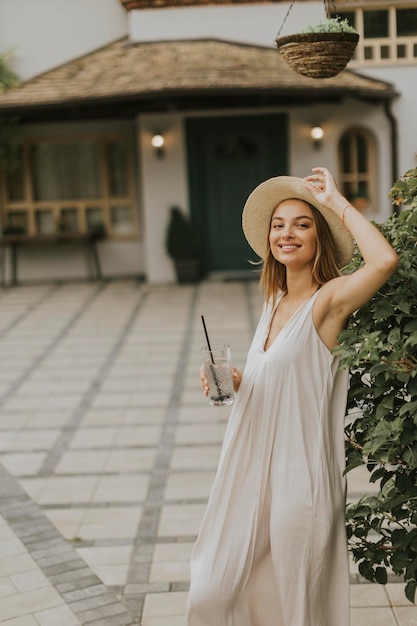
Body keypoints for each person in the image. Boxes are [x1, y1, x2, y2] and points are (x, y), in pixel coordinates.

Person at [186, 167, 398, 626]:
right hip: (252, 474)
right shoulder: (274, 301)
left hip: (298, 479)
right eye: (279, 224)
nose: (288, 233)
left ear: (319, 236)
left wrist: (337, 203)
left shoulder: (328, 302)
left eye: (302, 223)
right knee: (212, 590)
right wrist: (239, 380)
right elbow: (285, 379)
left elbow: (383, 262)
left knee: (292, 599)